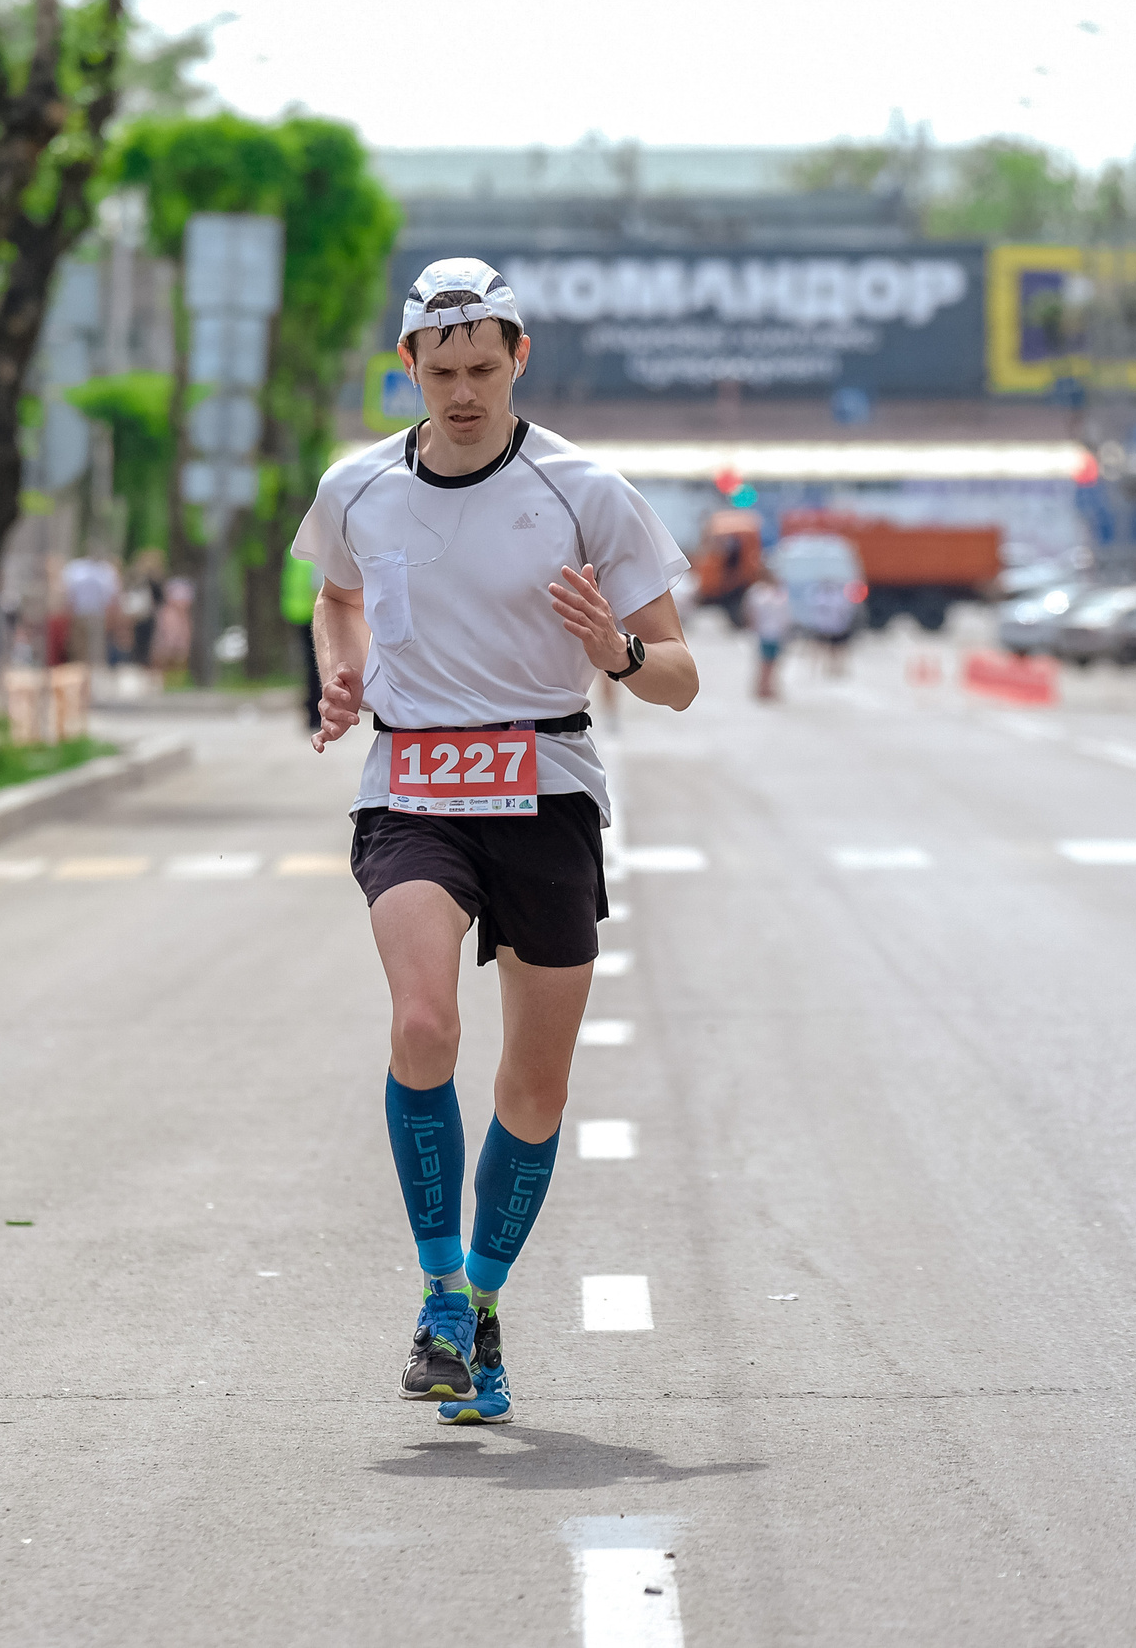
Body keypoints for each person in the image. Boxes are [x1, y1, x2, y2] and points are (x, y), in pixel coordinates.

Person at [296, 259, 699, 1425]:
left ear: (518, 358)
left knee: (535, 1080)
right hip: (414, 779)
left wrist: (617, 653)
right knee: (422, 1021)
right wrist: (342, 667)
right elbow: (336, 594)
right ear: (409, 365)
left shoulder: (588, 492)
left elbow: (677, 676)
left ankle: (481, 1303)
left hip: (548, 779)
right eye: (442, 370)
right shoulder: (358, 485)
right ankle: (435, 1299)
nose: (462, 392)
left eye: (484, 369)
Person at [282, 552, 324, 732]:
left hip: (296, 613)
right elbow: (318, 584)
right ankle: (317, 714)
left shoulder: (292, 550)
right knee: (318, 667)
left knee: (310, 667)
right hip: (314, 613)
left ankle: (311, 712)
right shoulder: (316, 549)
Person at [744, 575, 790, 701]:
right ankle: (762, 687)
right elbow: (752, 611)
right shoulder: (759, 592)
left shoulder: (779, 593)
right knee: (765, 661)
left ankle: (767, 686)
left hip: (776, 633)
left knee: (773, 662)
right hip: (765, 631)